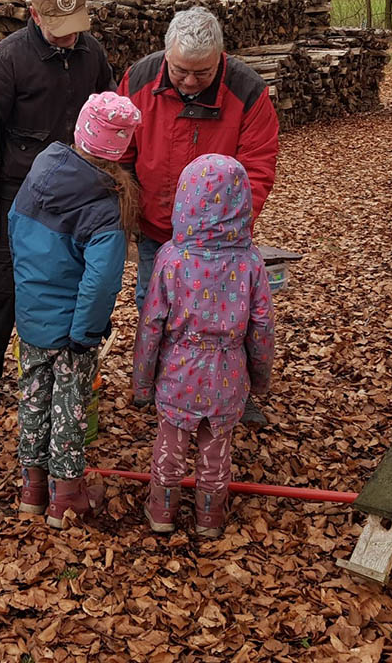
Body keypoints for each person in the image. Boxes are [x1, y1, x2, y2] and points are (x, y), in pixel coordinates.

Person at [118, 5, 278, 424]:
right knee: (154, 308)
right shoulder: (138, 80)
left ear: (220, 59)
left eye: (201, 73)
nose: (189, 81)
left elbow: (257, 166)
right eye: (180, 71)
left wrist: (233, 226)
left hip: (223, 240)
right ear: (166, 55)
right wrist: (129, 210)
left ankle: (235, 393)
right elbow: (121, 153)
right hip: (156, 226)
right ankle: (160, 380)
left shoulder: (247, 91)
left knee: (230, 318)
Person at [0, 0, 114, 416]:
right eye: (58, 26)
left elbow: (107, 114)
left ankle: (64, 373)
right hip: (18, 196)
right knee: (3, 286)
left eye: (75, 25)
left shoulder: (93, 54)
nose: (69, 36)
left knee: (70, 283)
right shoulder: (8, 58)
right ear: (34, 15)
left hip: (81, 193)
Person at [9, 92, 141, 528]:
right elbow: (101, 282)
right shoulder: (105, 205)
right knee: (69, 406)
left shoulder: (39, 172)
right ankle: (64, 497)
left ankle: (31, 486)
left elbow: (16, 235)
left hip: (31, 317)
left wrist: (28, 302)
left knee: (33, 397)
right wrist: (86, 332)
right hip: (70, 329)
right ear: (119, 150)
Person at [133, 156, 276, 538]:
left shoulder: (171, 259)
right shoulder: (250, 263)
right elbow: (262, 327)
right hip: (227, 371)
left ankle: (162, 511)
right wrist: (260, 379)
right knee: (217, 449)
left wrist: (142, 383)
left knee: (171, 443)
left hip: (179, 369)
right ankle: (208, 518)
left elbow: (151, 326)